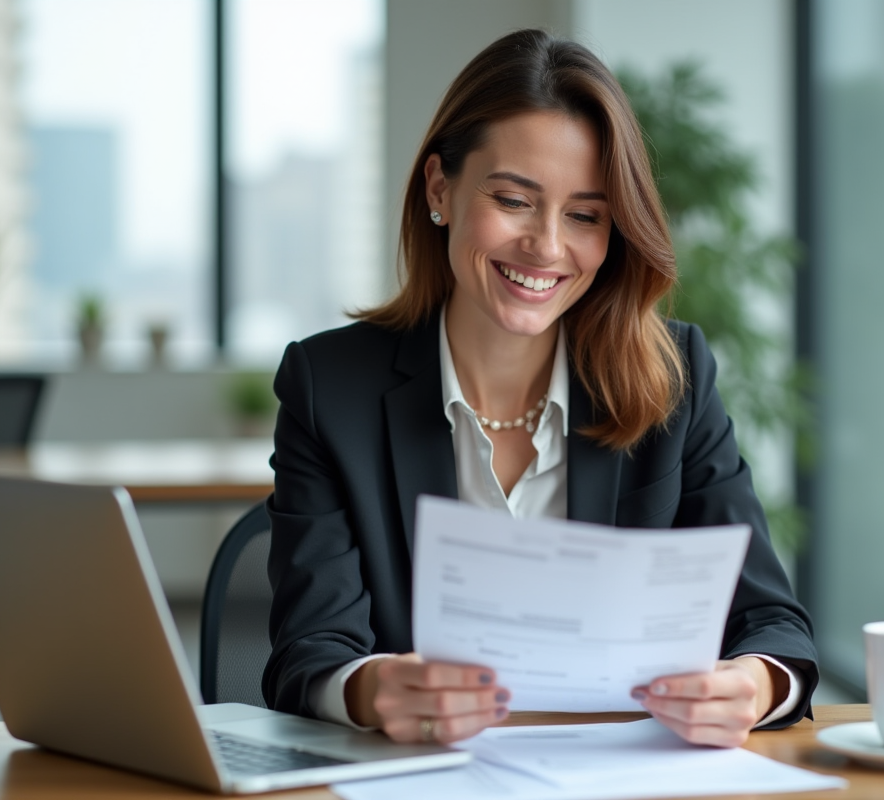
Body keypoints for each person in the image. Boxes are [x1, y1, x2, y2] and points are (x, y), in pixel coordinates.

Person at [262, 28, 817, 749]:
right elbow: (309, 651)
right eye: (514, 200)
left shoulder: (673, 378)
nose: (548, 247)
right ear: (440, 189)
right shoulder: (327, 387)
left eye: (585, 215)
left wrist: (753, 685)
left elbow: (772, 624)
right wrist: (373, 691)